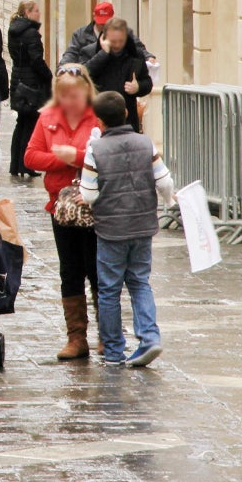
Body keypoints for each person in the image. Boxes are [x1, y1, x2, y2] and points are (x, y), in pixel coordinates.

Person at [80, 91, 174, 368]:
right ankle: (149, 337)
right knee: (139, 282)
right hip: (143, 224)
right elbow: (165, 181)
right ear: (125, 113)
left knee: (109, 289)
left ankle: (113, 351)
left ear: (99, 120)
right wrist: (168, 202)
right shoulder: (145, 143)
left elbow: (87, 194)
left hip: (111, 228)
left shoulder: (95, 149)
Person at [23, 64, 101, 362]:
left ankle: (107, 335)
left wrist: (78, 157)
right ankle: (76, 337)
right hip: (61, 207)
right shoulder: (47, 118)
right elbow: (30, 156)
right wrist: (62, 160)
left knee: (97, 271)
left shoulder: (98, 117)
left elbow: (108, 153)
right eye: (63, 95)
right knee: (70, 271)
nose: (69, 100)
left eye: (74, 94)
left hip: (93, 206)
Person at [84, 18, 154, 133]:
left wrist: (138, 87)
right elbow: (85, 75)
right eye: (113, 41)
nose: (117, 45)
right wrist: (103, 54)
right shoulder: (90, 52)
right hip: (98, 116)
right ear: (104, 38)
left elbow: (147, 82)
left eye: (121, 41)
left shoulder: (135, 55)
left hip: (127, 118)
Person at [8, 0, 52, 178]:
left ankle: (15, 164)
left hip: (18, 80)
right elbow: (36, 60)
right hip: (31, 84)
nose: (39, 14)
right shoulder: (31, 33)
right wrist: (48, 75)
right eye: (36, 11)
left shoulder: (14, 30)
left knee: (21, 123)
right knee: (30, 124)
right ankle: (25, 164)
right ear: (27, 13)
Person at [60, 0, 154, 67]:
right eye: (100, 23)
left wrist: (148, 57)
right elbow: (71, 53)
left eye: (106, 22)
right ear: (94, 16)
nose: (103, 26)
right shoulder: (80, 34)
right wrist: (64, 66)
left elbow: (138, 47)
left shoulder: (123, 33)